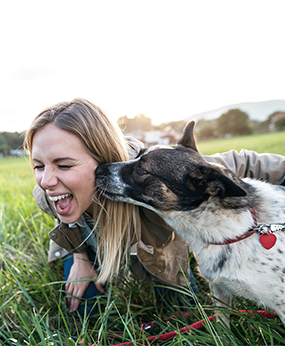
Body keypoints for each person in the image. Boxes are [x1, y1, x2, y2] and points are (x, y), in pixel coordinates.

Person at [25, 98, 285, 314]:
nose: (46, 181)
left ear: (101, 157)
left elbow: (241, 163)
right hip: (96, 245)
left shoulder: (155, 171)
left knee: (182, 311)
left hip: (158, 255)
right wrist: (79, 257)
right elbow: (68, 221)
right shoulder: (47, 194)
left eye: (64, 165)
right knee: (83, 308)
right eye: (38, 165)